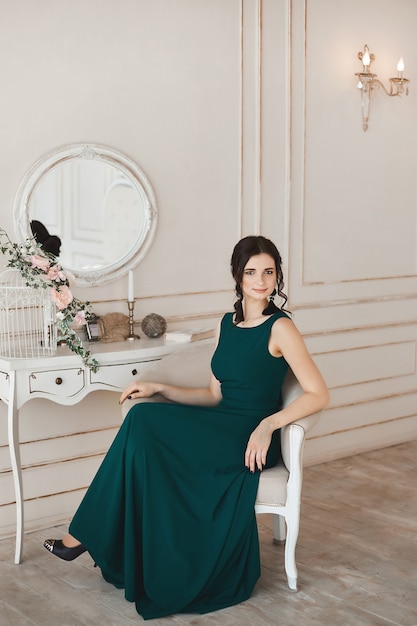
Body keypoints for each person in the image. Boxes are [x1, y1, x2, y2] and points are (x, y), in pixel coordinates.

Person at [43, 235, 329, 620]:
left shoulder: (281, 328)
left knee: (143, 423)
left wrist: (269, 425)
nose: (260, 280)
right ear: (237, 276)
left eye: (268, 272)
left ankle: (81, 536)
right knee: (143, 417)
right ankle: (89, 536)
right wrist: (161, 387)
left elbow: (318, 393)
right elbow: (213, 395)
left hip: (248, 436)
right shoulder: (225, 324)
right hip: (219, 423)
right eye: (251, 272)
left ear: (277, 277)